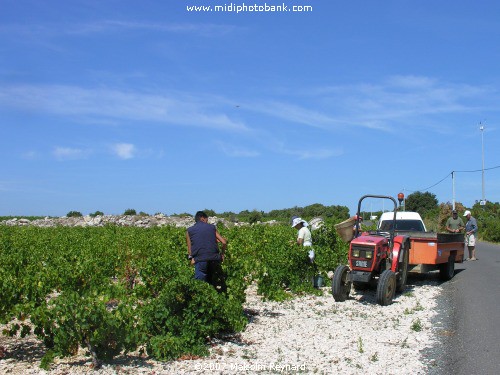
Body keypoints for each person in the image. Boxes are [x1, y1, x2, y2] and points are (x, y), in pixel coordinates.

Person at [186, 211, 227, 292]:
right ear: (202, 218)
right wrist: (222, 254)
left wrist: (191, 258)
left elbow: (190, 249)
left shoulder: (189, 230)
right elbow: (224, 242)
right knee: (212, 282)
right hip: (214, 259)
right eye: (207, 220)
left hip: (200, 259)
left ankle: (202, 301)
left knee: (200, 286)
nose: (207, 222)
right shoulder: (212, 227)